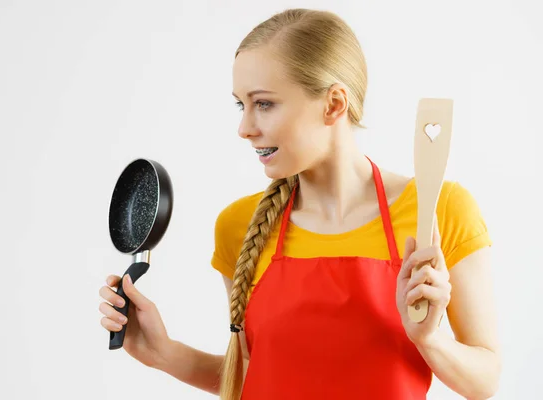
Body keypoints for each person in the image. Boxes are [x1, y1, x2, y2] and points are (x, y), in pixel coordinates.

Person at [98, 8, 500, 400]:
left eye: (265, 104)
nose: (244, 128)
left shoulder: (440, 209)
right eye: (242, 104)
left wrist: (430, 340)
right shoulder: (241, 225)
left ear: (334, 104)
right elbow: (258, 372)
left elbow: (485, 382)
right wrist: (164, 353)